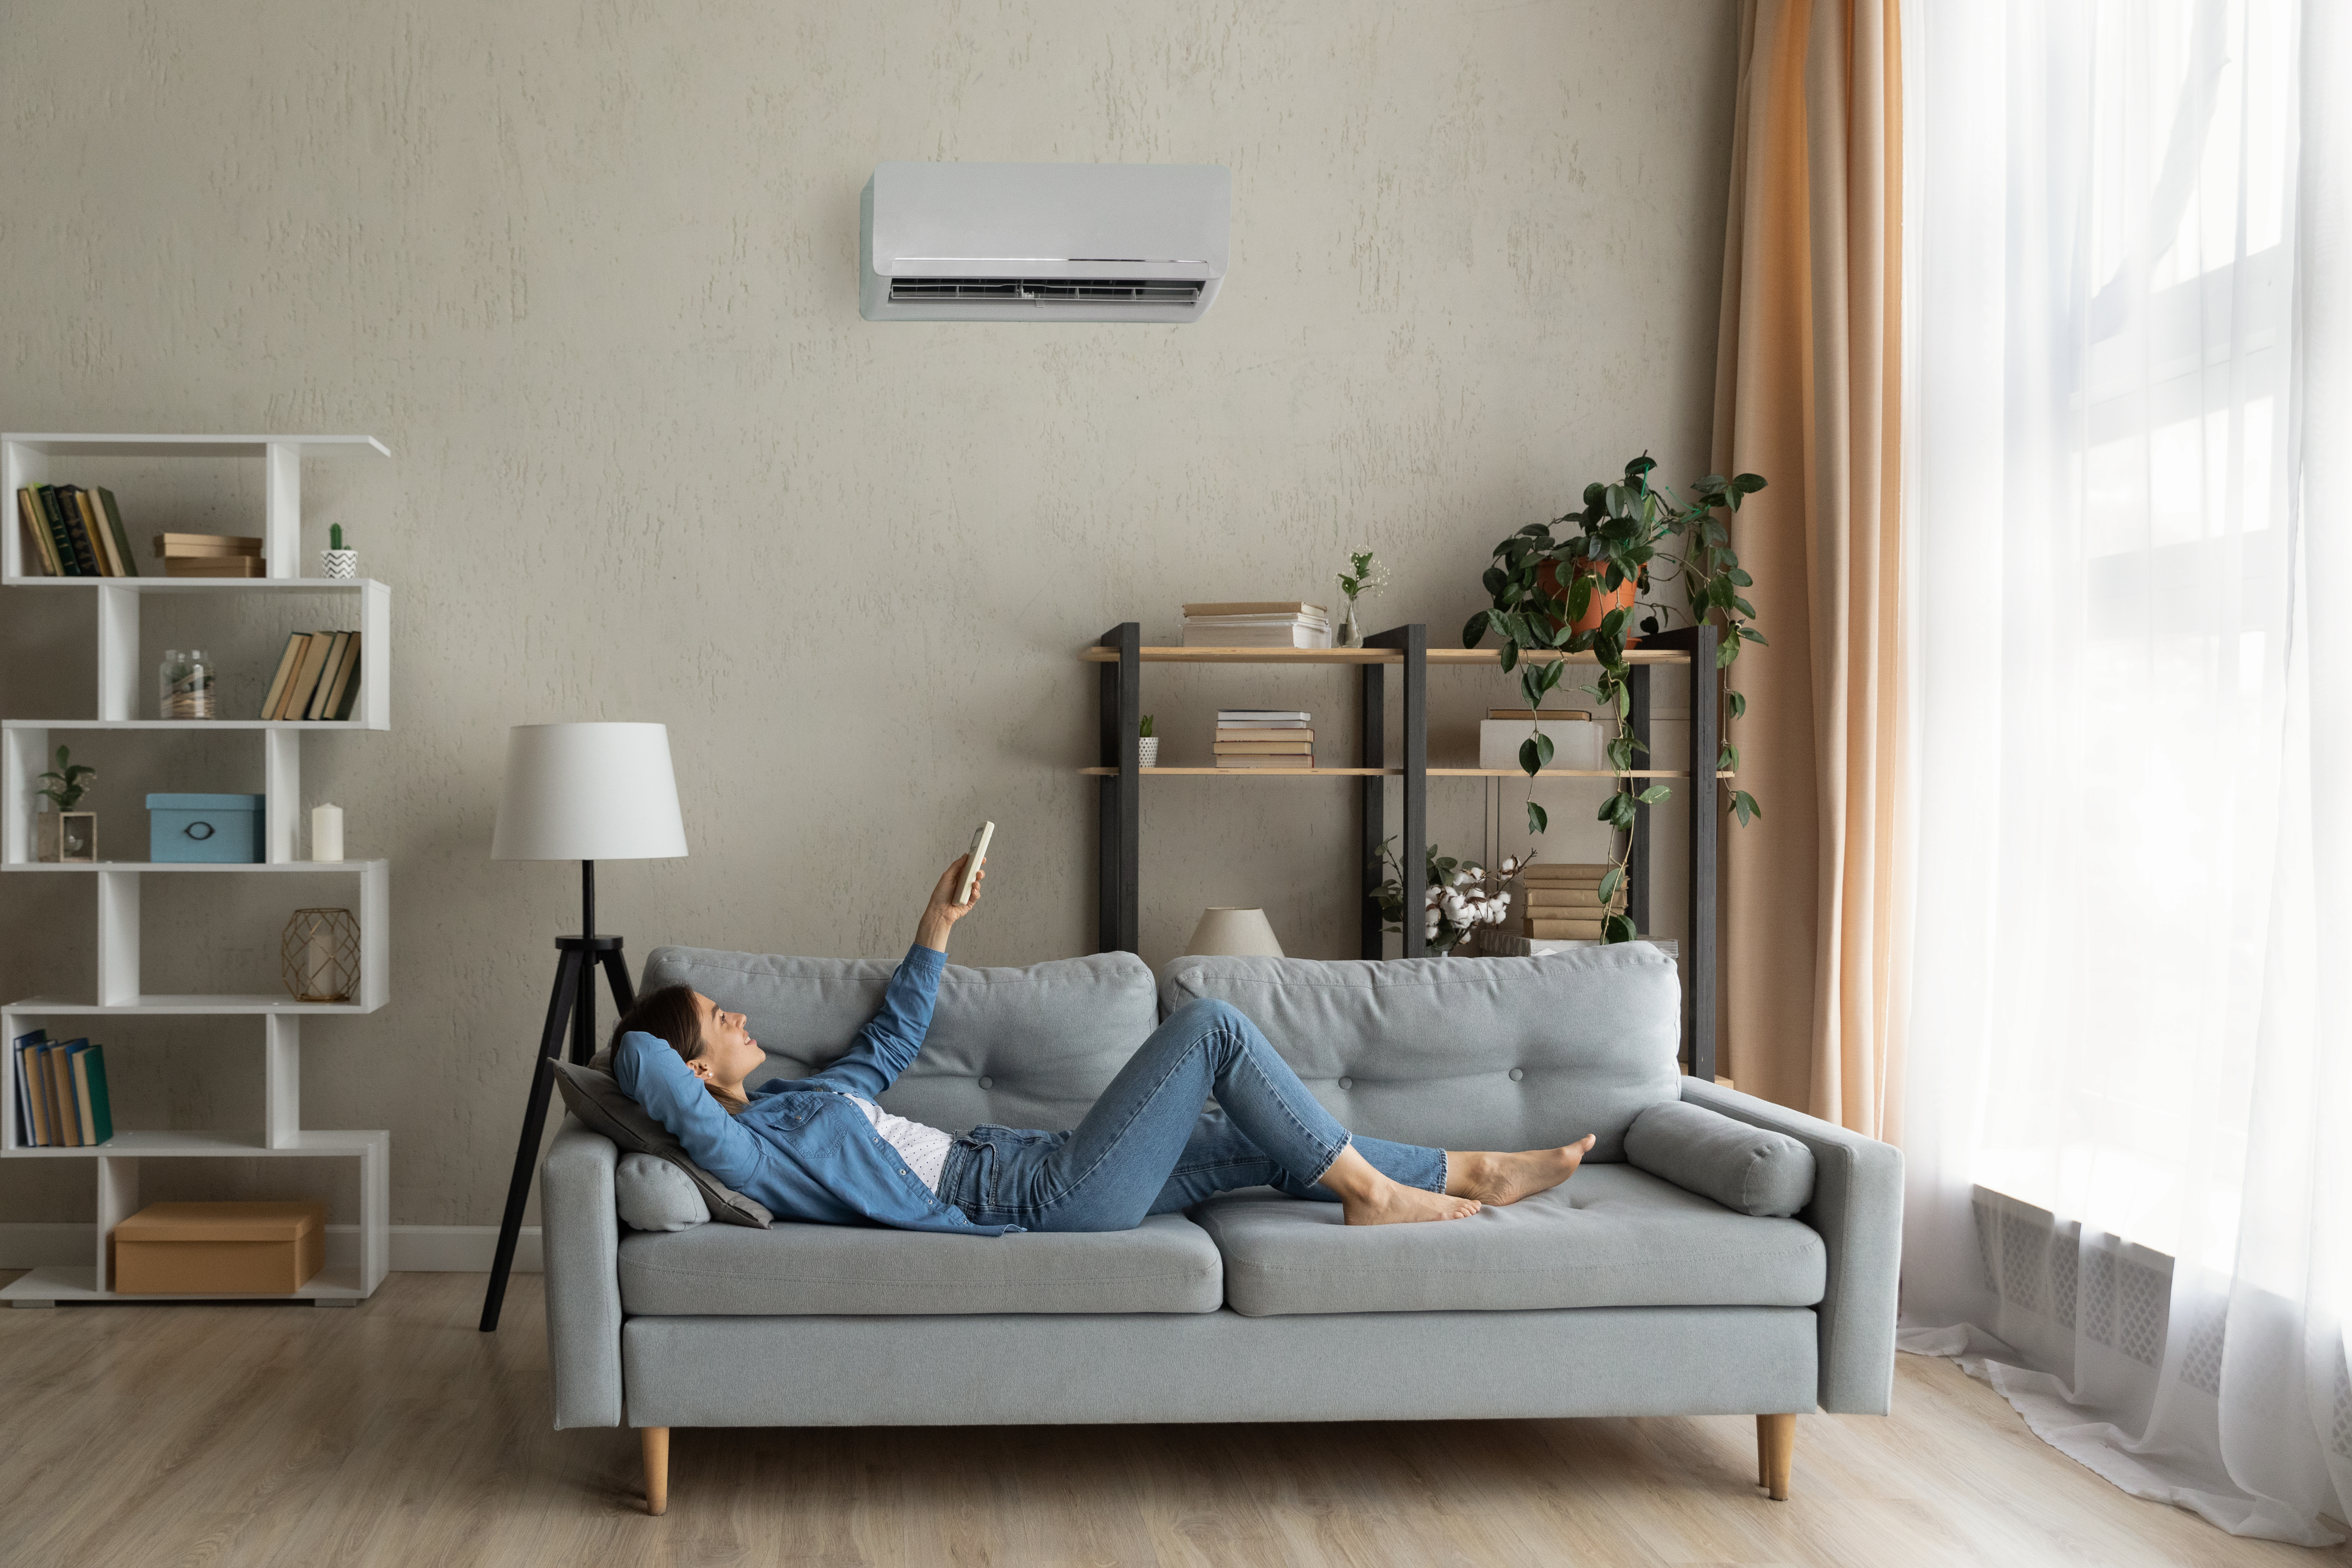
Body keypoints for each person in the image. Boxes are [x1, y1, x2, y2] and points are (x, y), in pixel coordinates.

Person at [609, 853, 1597, 1234]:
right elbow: (637, 1062)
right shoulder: (742, 1148)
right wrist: (651, 1038)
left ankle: (1472, 1171)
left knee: (1255, 1136)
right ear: (696, 1073)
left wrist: (937, 919)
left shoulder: (798, 1102)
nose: (741, 1016)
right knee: (1210, 1028)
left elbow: (892, 1032)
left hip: (1032, 1162)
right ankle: (1377, 1197)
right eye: (719, 1019)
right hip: (1027, 1197)